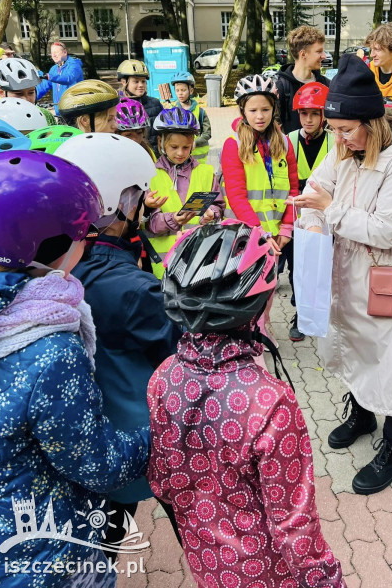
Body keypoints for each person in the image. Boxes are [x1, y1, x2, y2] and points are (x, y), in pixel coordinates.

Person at [147, 221, 347, 588]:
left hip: (204, 558)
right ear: (263, 302)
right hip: (266, 570)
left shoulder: (163, 377)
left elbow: (161, 481)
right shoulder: (271, 402)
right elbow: (294, 525)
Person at [0, 150, 150, 586]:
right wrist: (164, 429)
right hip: (40, 554)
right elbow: (100, 465)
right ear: (53, 248)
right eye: (84, 232)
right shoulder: (50, 352)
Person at [294, 54, 392, 495]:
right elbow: (319, 184)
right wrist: (311, 210)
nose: (336, 139)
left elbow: (387, 230)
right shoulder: (347, 147)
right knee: (356, 344)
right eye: (333, 129)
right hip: (354, 269)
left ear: (372, 123)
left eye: (345, 130)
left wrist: (327, 211)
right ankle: (361, 414)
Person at [55, 132, 183, 555]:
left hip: (91, 438)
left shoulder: (52, 267)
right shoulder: (136, 290)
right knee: (195, 522)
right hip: (145, 435)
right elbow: (181, 358)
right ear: (118, 204)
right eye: (136, 197)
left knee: (104, 530)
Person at [221, 74, 299, 258]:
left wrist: (288, 226)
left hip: (279, 235)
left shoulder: (285, 143)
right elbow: (236, 196)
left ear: (274, 109)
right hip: (245, 235)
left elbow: (293, 189)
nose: (260, 116)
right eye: (253, 110)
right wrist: (259, 232)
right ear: (242, 111)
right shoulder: (234, 145)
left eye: (265, 109)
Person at [146, 107, 224, 279]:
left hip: (201, 260)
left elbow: (218, 205)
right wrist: (173, 220)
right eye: (174, 147)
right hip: (164, 264)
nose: (180, 153)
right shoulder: (149, 175)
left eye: (186, 147)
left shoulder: (205, 172)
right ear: (161, 142)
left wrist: (212, 214)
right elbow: (148, 222)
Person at [283, 81, 334, 342]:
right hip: (296, 215)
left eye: (315, 113)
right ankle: (301, 313)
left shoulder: (336, 141)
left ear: (324, 115)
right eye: (304, 113)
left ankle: (328, 313)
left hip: (327, 214)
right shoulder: (289, 140)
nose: (309, 119)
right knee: (297, 267)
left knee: (327, 265)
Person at [276, 25, 330, 134]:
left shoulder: (326, 85)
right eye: (319, 51)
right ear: (303, 54)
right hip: (291, 149)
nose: (324, 56)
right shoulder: (281, 87)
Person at [0, 56, 55, 125]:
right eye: (19, 94)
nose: (26, 99)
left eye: (31, 93)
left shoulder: (45, 116)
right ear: (1, 93)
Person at [117, 59, 162, 150]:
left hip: (153, 155)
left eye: (143, 81)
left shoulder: (155, 104)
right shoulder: (116, 106)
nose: (141, 85)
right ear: (124, 82)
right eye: (136, 81)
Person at [170, 72, 211, 164]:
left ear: (191, 91)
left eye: (183, 90)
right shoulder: (172, 111)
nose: (180, 93)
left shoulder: (200, 112)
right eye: (177, 90)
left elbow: (207, 133)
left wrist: (195, 142)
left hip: (198, 156)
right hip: (180, 156)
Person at [35, 41, 84, 115]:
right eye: (52, 53)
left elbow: (69, 78)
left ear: (64, 52)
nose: (53, 55)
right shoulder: (54, 69)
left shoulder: (74, 65)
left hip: (74, 110)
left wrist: (48, 76)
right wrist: (29, 99)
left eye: (56, 52)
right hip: (59, 112)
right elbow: (43, 87)